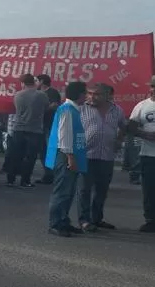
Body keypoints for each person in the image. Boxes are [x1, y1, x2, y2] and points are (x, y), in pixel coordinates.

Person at [77, 83, 125, 231]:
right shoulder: (81, 109)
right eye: (89, 93)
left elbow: (123, 126)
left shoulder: (116, 110)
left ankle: (97, 218)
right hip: (87, 156)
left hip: (107, 156)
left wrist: (119, 140)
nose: (92, 97)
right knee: (84, 189)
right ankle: (84, 220)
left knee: (102, 190)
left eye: (96, 94)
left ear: (106, 95)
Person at [45, 81, 88, 237]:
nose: (86, 96)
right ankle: (55, 223)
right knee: (62, 191)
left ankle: (64, 220)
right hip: (66, 156)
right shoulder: (67, 110)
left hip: (70, 156)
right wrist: (70, 157)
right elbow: (64, 136)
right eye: (85, 93)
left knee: (68, 191)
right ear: (79, 94)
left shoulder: (75, 110)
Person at [5, 74, 49, 189]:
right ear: (34, 83)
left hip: (19, 128)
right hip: (35, 129)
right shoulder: (42, 95)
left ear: (22, 83)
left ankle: (11, 179)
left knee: (16, 155)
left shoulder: (18, 95)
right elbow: (46, 108)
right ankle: (25, 180)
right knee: (30, 157)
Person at [128, 76, 155, 233]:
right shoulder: (142, 106)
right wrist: (145, 135)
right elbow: (131, 127)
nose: (154, 89)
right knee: (150, 189)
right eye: (152, 86)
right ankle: (151, 220)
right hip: (148, 154)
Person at [36, 74, 62, 184]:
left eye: (36, 81)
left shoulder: (51, 92)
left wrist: (42, 109)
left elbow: (55, 105)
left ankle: (52, 175)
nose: (35, 83)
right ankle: (48, 174)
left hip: (50, 125)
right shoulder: (39, 93)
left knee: (50, 150)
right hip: (41, 125)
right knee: (43, 151)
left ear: (41, 81)